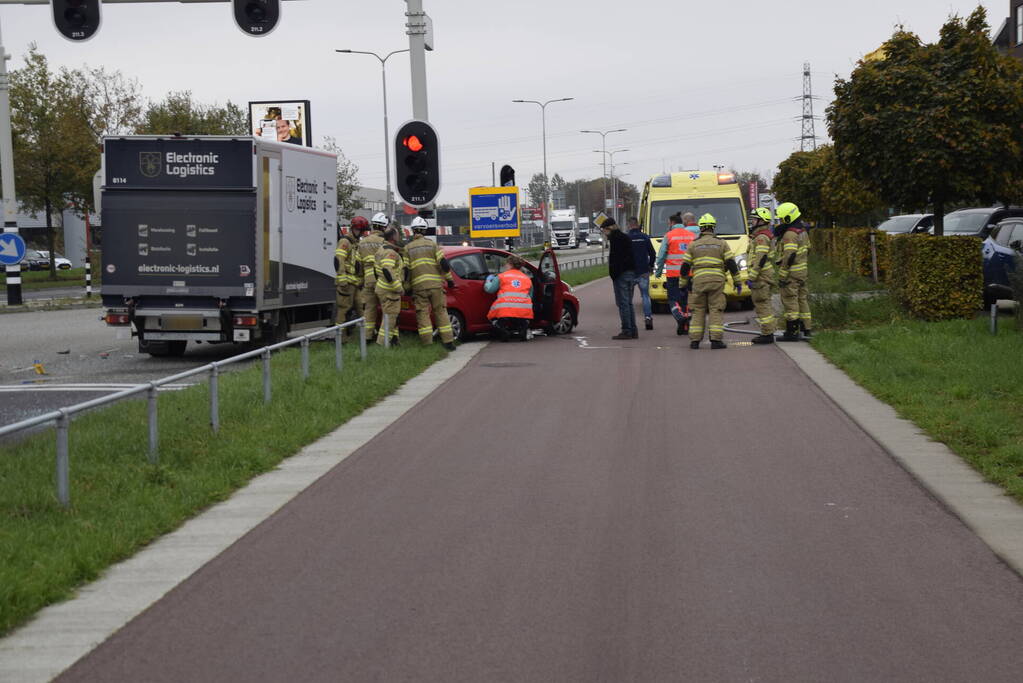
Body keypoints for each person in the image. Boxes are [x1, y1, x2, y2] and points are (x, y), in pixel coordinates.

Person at [680, 213, 742, 349]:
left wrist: (683, 284)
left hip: (699, 282)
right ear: (713, 228)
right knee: (716, 310)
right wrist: (737, 282)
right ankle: (716, 341)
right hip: (716, 282)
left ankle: (695, 341)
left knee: (697, 310)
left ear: (700, 228)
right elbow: (731, 263)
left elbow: (684, 267)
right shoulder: (721, 243)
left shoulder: (693, 245)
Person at [406, 216, 457, 350]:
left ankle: (427, 344)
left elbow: (406, 271)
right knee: (440, 312)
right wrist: (450, 280)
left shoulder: (408, 248)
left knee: (422, 314)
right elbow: (443, 264)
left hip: (419, 288)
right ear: (425, 230)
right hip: (435, 286)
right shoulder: (432, 245)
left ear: (413, 231)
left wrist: (406, 287)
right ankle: (449, 342)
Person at [654, 212, 698, 335]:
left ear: (673, 223)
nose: (668, 225)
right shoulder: (691, 236)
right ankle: (684, 326)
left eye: (668, 223)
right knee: (685, 300)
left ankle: (680, 318)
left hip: (673, 275)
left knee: (673, 300)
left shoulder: (669, 236)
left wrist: (658, 272)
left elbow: (662, 256)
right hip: (689, 274)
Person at [775, 202, 811, 341]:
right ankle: (807, 329)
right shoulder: (802, 231)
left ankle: (792, 332)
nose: (781, 222)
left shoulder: (790, 234)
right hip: (802, 271)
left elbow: (789, 255)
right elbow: (808, 249)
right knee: (802, 300)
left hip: (792, 273)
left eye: (782, 219)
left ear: (788, 218)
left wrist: (783, 274)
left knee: (790, 301)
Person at [600, 217, 638, 340]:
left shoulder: (616, 240)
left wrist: (614, 274)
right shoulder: (625, 237)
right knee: (628, 303)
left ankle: (626, 330)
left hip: (621, 274)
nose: (604, 234)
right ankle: (633, 330)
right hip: (631, 273)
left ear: (609, 228)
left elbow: (616, 260)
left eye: (604, 231)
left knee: (623, 303)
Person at [746, 208, 778, 344]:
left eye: (754, 219)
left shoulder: (761, 238)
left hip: (761, 276)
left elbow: (760, 259)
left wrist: (752, 277)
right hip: (764, 274)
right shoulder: (761, 236)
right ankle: (768, 332)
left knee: (762, 304)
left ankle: (767, 334)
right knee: (763, 303)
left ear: (761, 221)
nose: (752, 222)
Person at [485, 255, 534, 341]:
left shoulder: (501, 276)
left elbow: (490, 290)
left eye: (506, 264)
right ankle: (523, 329)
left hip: (505, 308)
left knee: (492, 316)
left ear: (510, 264)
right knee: (521, 318)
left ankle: (503, 330)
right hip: (524, 309)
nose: (505, 266)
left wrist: (488, 281)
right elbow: (531, 295)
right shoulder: (527, 279)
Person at [355, 213, 388, 339]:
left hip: (368, 281)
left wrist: (360, 279)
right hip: (382, 280)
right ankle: (385, 339)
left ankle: (367, 338)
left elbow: (357, 265)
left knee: (369, 310)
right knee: (387, 309)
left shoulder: (362, 243)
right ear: (383, 227)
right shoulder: (383, 242)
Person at [373, 228, 405, 347]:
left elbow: (376, 271)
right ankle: (382, 344)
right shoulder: (390, 252)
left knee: (391, 316)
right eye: (397, 234)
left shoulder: (381, 249)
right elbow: (387, 270)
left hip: (382, 288)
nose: (399, 236)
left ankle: (394, 340)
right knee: (390, 318)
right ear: (393, 237)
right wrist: (398, 288)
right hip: (390, 290)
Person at [333, 217, 363, 332]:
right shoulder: (345, 242)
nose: (362, 234)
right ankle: (340, 338)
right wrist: (342, 279)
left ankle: (365, 336)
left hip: (354, 283)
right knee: (343, 310)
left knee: (361, 307)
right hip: (346, 284)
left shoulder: (355, 243)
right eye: (361, 231)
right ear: (355, 229)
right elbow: (339, 259)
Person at [626, 216, 656, 330]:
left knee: (628, 298)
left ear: (629, 225)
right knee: (645, 296)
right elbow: (652, 253)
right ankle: (648, 318)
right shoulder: (644, 237)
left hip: (630, 272)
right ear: (637, 225)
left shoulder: (626, 238)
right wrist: (651, 265)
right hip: (643, 271)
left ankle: (630, 321)